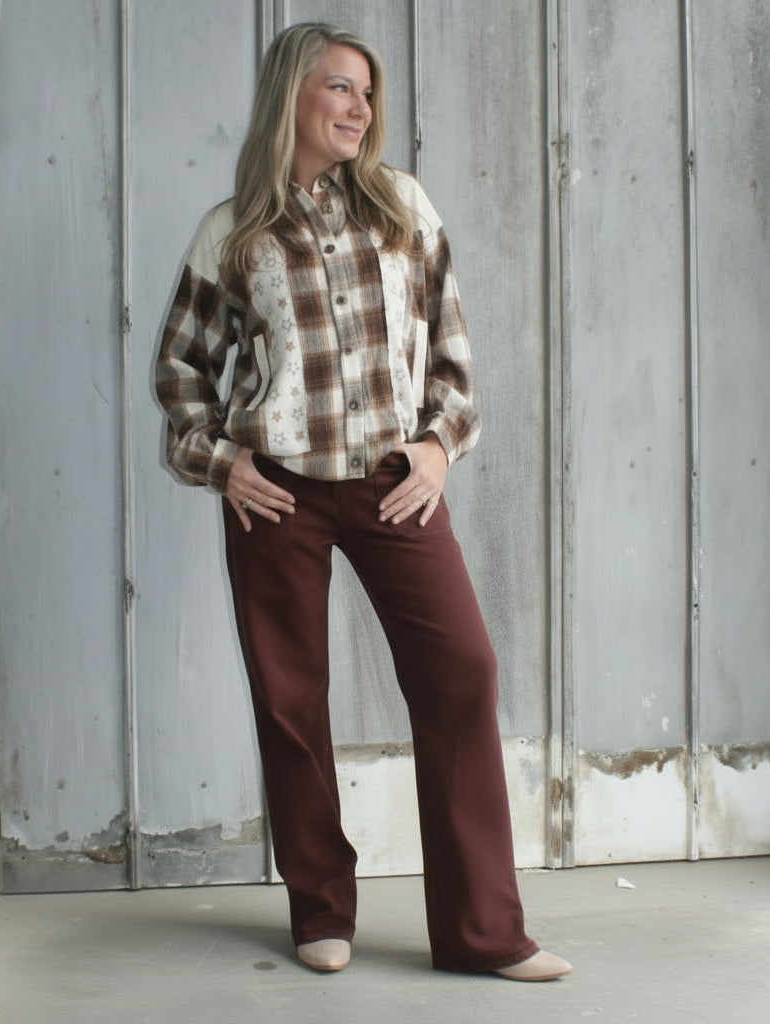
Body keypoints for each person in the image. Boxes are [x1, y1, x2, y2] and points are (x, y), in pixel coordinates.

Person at [154, 22, 572, 982]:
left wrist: (436, 447)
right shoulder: (232, 233)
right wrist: (221, 462)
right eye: (340, 88)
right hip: (277, 495)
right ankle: (319, 910)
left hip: (392, 487)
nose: (360, 109)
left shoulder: (402, 208)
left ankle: (482, 933)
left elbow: (455, 357)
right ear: (291, 99)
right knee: (292, 703)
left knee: (461, 672)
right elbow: (180, 371)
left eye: (367, 94)